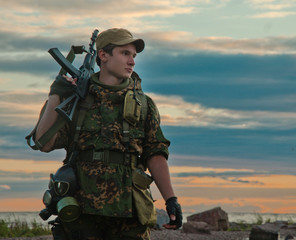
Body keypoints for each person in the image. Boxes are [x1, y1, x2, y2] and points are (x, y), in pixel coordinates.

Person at [30, 28, 182, 239]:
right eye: (125, 53)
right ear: (103, 55)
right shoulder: (77, 99)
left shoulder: (144, 105)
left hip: (129, 213)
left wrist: (171, 199)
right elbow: (43, 142)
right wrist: (56, 94)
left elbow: (155, 153)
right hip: (81, 213)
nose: (132, 61)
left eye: (134, 56)